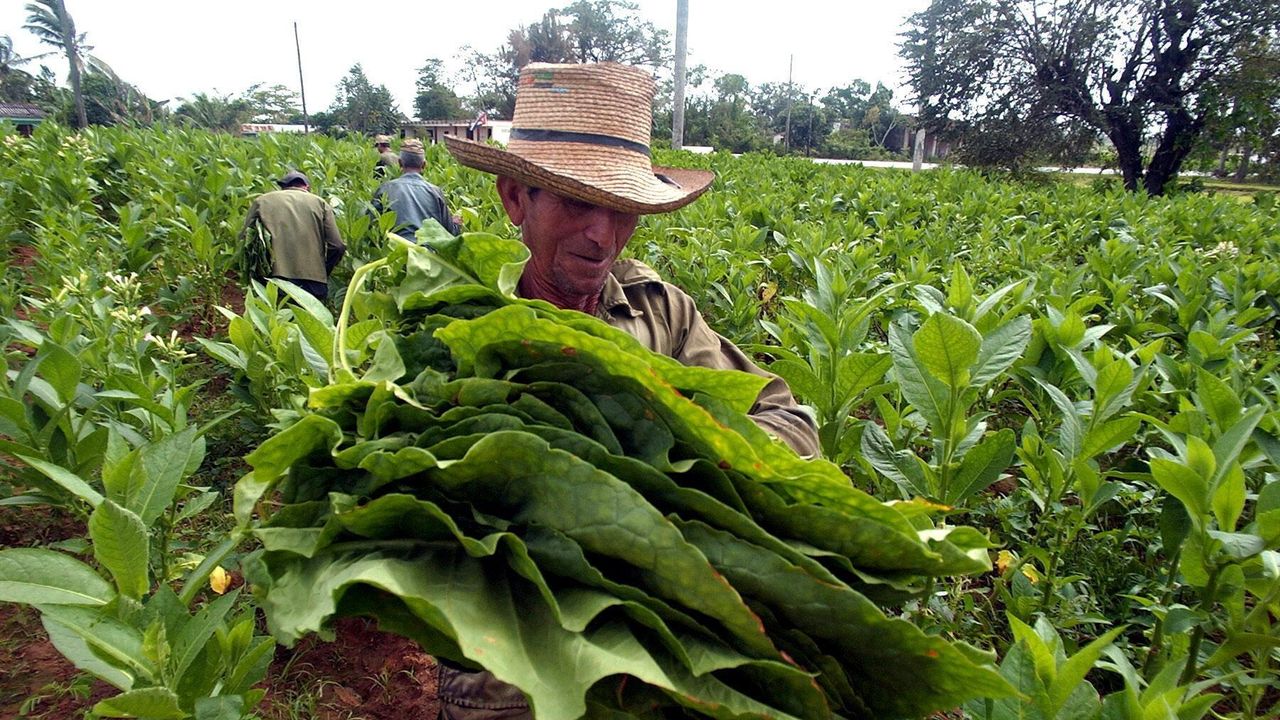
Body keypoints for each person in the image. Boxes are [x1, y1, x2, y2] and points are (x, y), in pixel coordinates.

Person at [437, 61, 819, 720]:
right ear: (513, 199)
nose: (603, 235)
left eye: (623, 210)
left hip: (647, 642)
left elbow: (788, 420)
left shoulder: (660, 312)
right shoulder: (450, 325)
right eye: (577, 201)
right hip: (507, 656)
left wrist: (686, 466)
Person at [239, 170, 346, 300]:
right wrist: (323, 271)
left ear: (283, 187)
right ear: (306, 186)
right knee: (307, 320)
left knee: (276, 318)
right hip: (313, 282)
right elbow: (337, 246)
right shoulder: (320, 203)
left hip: (273, 279)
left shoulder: (262, 201)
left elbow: (245, 238)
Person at [372, 138, 461, 239]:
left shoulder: (385, 188)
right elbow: (448, 233)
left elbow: (371, 224)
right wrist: (456, 224)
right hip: (425, 252)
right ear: (424, 165)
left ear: (400, 163)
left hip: (393, 250)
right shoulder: (435, 192)